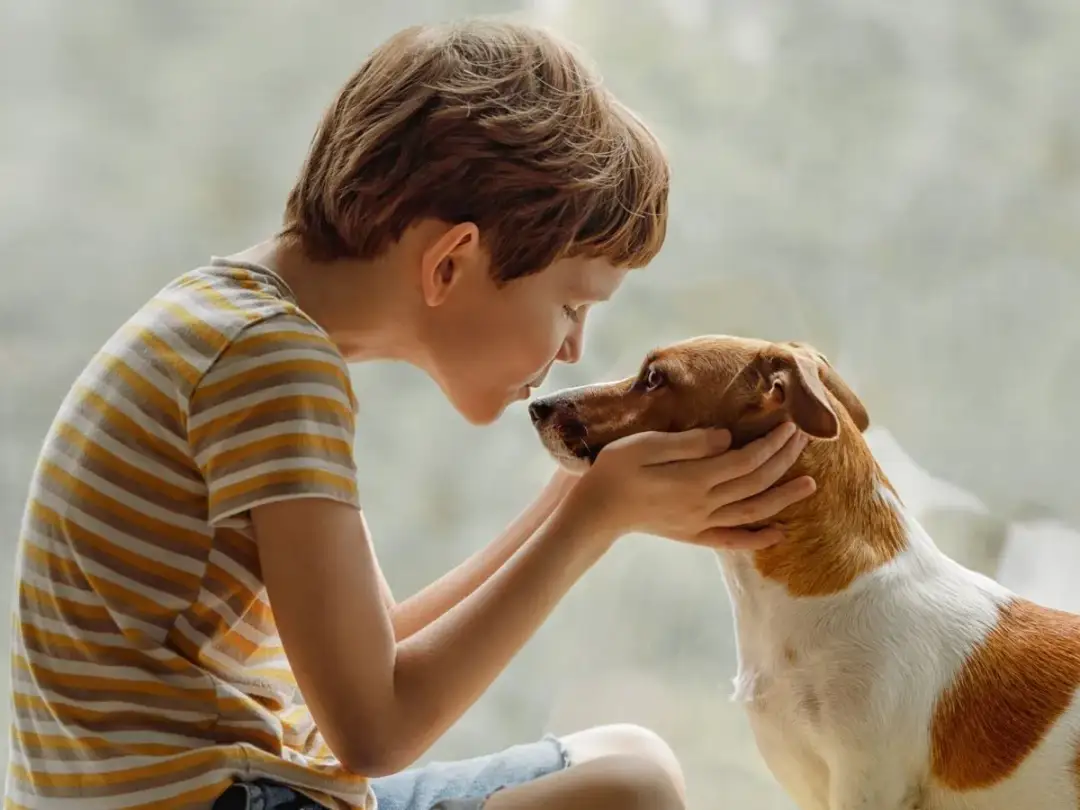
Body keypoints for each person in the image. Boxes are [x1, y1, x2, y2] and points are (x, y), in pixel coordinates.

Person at [4, 18, 816, 810]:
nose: (573, 350)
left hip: (226, 785)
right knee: (630, 790)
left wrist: (580, 496)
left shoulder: (231, 325)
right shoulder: (273, 367)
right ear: (451, 261)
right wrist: (591, 523)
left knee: (627, 763)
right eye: (571, 306)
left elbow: (376, 651)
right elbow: (374, 731)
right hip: (222, 797)